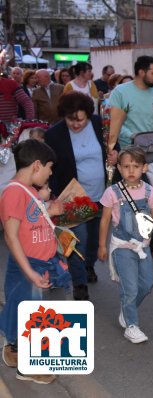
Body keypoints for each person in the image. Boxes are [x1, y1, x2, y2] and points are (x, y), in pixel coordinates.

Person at [0, 139, 69, 385]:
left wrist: (50, 211)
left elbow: (32, 218)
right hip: (28, 264)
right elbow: (11, 235)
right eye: (49, 167)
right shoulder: (13, 192)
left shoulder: (28, 190)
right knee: (33, 317)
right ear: (37, 165)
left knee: (26, 312)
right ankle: (29, 368)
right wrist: (28, 271)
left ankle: (14, 351)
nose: (51, 173)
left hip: (39, 262)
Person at [45, 91, 118, 298]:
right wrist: (52, 196)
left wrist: (115, 154)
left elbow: (114, 146)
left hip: (101, 195)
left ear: (88, 114)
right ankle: (79, 283)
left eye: (80, 120)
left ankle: (89, 266)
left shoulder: (99, 124)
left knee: (95, 239)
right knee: (78, 240)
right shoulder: (54, 135)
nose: (76, 125)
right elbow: (52, 168)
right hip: (73, 197)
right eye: (70, 120)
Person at [97, 147, 153, 343]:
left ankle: (127, 309)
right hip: (122, 247)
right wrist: (102, 245)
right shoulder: (113, 192)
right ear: (119, 168)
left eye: (136, 166)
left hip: (143, 247)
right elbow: (105, 220)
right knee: (131, 287)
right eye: (126, 166)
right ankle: (131, 325)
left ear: (144, 168)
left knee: (147, 283)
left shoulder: (150, 192)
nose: (131, 170)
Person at [108, 56, 153, 150]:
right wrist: (132, 135)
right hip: (129, 151)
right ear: (141, 72)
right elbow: (114, 122)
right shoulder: (120, 92)